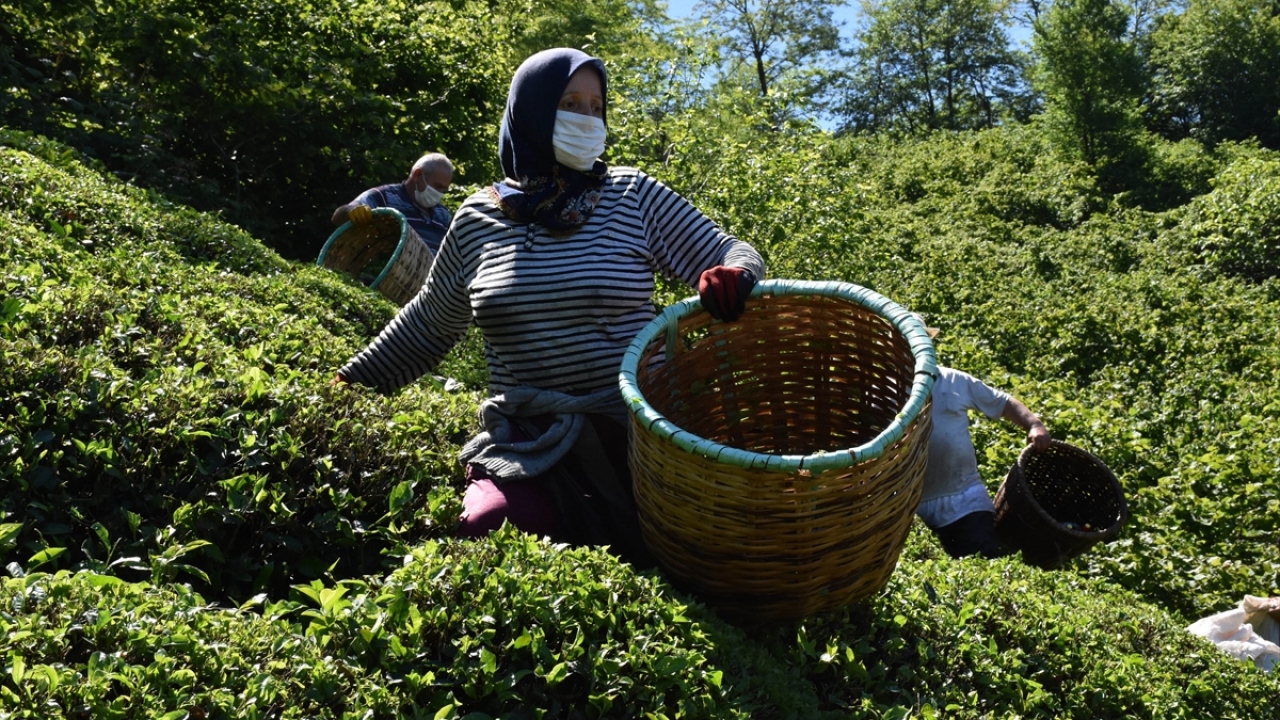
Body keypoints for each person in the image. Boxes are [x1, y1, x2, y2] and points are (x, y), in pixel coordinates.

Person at [334, 48, 765, 565]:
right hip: (535, 439)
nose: (587, 119)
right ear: (531, 111)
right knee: (489, 528)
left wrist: (734, 274)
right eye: (569, 103)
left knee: (701, 555)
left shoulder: (632, 196)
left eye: (595, 106)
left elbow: (731, 251)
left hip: (641, 434)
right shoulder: (477, 219)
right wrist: (350, 384)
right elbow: (430, 322)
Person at [920, 347, 1052, 559]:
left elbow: (1003, 402)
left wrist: (1034, 424)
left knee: (981, 558)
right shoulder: (885, 389)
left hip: (963, 498)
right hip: (908, 503)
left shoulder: (953, 380)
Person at [331, 152, 455, 255]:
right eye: (437, 186)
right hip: (391, 276)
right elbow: (339, 216)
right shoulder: (384, 196)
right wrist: (351, 211)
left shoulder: (443, 215)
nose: (439, 193)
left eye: (443, 189)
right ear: (417, 175)